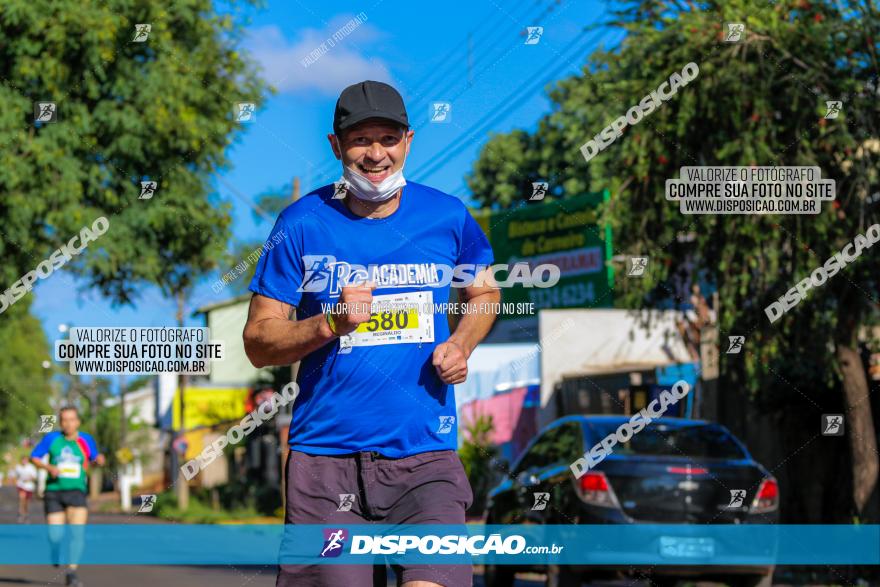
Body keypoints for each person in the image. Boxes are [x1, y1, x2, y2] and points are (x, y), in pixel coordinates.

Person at [244, 80, 500, 587]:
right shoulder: (300, 224)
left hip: (424, 455)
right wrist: (329, 323)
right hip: (326, 462)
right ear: (336, 146)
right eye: (360, 140)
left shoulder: (448, 217)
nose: (375, 153)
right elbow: (258, 341)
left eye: (387, 138)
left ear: (408, 140)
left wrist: (461, 343)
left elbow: (484, 294)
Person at [30, 407, 105, 587]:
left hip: (77, 491)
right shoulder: (52, 438)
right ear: (60, 422)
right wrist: (49, 468)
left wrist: (99, 460)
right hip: (54, 491)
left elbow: (94, 458)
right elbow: (35, 457)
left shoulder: (86, 440)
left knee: (77, 533)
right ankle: (55, 550)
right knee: (55, 534)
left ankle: (71, 572)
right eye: (64, 420)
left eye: (72, 420)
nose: (68, 424)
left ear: (78, 421)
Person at [13, 455, 38, 522]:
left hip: (29, 486)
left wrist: (29, 478)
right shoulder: (18, 467)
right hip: (21, 485)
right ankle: (21, 513)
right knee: (22, 498)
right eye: (23, 460)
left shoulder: (31, 467)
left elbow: (35, 477)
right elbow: (16, 476)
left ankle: (26, 512)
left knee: (26, 501)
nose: (24, 461)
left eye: (25, 460)